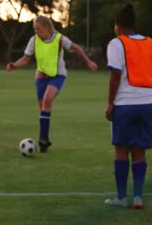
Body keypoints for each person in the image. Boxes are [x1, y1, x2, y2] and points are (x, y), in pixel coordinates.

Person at [6, 15, 98, 153]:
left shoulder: (60, 39)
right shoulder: (33, 40)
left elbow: (76, 48)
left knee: (47, 100)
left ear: (47, 27)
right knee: (43, 108)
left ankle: (42, 140)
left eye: (38, 28)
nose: (36, 31)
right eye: (34, 29)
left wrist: (88, 62)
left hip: (58, 75)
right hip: (41, 77)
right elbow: (26, 58)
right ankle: (46, 140)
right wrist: (14, 65)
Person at [104, 3, 152, 209]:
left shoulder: (117, 43)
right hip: (150, 103)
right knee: (140, 150)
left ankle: (122, 198)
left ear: (118, 26)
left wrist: (110, 103)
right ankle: (139, 198)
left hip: (126, 103)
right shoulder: (151, 43)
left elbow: (115, 74)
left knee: (122, 149)